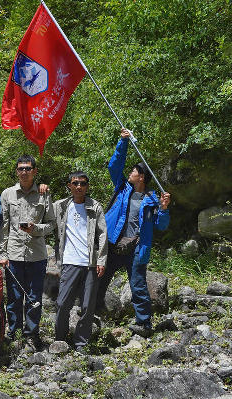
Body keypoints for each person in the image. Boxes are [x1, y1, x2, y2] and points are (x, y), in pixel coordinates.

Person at [96, 128, 171, 337]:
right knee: (100, 280)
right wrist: (123, 142)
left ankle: (144, 324)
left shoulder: (152, 199)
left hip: (137, 248)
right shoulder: (122, 188)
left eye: (134, 171)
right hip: (114, 243)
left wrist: (164, 209)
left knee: (137, 285)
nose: (130, 172)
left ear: (142, 177)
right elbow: (114, 165)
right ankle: (92, 315)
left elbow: (162, 225)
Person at [0, 154, 55, 347]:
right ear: (16, 171)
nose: (24, 172)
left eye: (28, 168)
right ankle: (15, 333)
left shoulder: (44, 193)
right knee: (13, 297)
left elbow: (52, 224)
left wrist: (36, 229)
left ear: (35, 171)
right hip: (14, 253)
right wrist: (3, 253)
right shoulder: (7, 194)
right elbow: (4, 226)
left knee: (34, 297)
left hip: (36, 254)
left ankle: (31, 333)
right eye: (21, 168)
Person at [53, 171, 107, 351]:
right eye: (75, 183)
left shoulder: (95, 207)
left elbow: (102, 234)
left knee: (87, 306)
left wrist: (102, 260)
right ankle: (60, 339)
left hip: (90, 262)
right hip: (69, 261)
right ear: (69, 186)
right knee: (62, 303)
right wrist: (41, 189)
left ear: (87, 186)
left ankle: (81, 343)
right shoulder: (60, 206)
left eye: (83, 184)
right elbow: (42, 211)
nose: (79, 187)